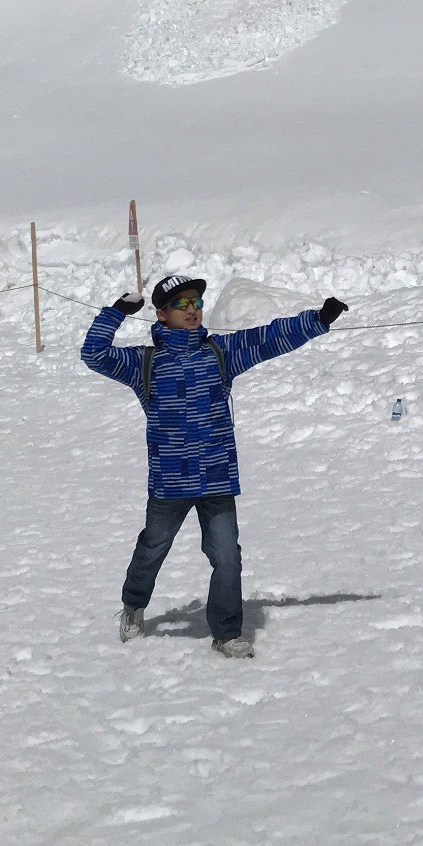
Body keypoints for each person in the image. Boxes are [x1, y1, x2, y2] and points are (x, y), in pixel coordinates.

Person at [81, 273, 347, 658]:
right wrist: (117, 312)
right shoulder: (144, 363)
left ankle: (226, 632)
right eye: (182, 305)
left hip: (216, 477)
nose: (192, 310)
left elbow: (268, 338)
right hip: (169, 482)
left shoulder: (219, 353)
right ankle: (133, 605)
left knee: (227, 556)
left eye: (197, 303)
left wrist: (318, 319)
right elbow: (94, 354)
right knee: (153, 547)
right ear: (161, 314)